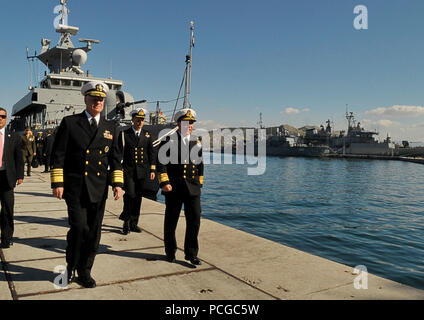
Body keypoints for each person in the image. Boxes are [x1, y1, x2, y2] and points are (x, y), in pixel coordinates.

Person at [50, 81, 123, 288]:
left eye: (101, 99)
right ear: (86, 99)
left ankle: (85, 271)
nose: (98, 102)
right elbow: (59, 155)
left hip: (99, 188)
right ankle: (70, 266)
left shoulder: (111, 127)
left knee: (93, 232)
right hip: (75, 187)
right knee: (79, 228)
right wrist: (58, 182)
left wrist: (117, 184)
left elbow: (116, 159)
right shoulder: (70, 122)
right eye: (94, 98)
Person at [157, 108, 204, 266]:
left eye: (191, 123)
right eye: (186, 122)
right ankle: (170, 251)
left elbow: (200, 164)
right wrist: (164, 182)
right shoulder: (168, 140)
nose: (189, 125)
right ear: (178, 124)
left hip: (193, 187)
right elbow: (161, 164)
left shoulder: (196, 141)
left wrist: (200, 183)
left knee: (195, 220)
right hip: (174, 188)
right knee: (171, 222)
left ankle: (191, 254)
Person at [118, 108, 156, 235]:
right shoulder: (125, 134)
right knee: (130, 195)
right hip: (128, 171)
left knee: (138, 197)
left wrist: (152, 169)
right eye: (138, 119)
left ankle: (134, 223)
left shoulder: (147, 135)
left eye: (142, 120)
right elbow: (118, 153)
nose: (140, 122)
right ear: (132, 119)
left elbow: (151, 153)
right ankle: (126, 221)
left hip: (142, 171)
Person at [0, 107, 24, 248]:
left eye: (2, 116)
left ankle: (7, 238)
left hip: (7, 177)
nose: (0, 118)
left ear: (6, 118)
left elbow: (18, 159)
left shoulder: (13, 137)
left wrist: (20, 176)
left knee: (8, 209)